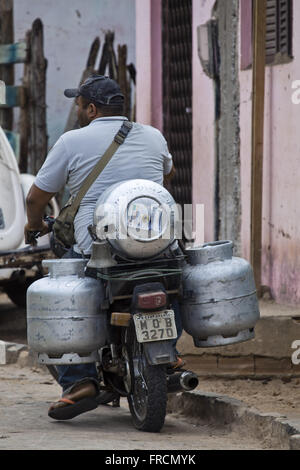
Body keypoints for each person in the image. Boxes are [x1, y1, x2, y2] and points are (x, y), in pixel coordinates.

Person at [24, 75, 183, 421]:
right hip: (156, 244)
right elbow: (166, 176)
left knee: (64, 288)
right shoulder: (153, 135)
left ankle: (79, 380)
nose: (77, 110)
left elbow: (36, 198)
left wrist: (33, 225)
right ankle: (169, 351)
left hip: (96, 249)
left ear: (92, 109)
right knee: (175, 278)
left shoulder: (71, 142)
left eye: (79, 104)